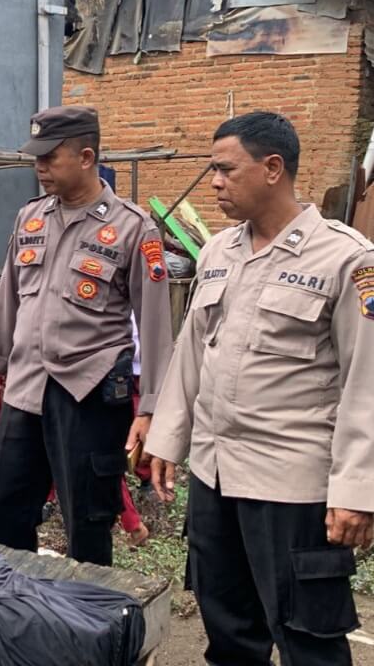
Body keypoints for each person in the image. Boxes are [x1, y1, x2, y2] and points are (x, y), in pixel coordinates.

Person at [144, 112, 374, 665]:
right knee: (228, 631)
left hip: (292, 485)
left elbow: (368, 382)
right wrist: (167, 439)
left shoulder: (346, 258)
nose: (214, 182)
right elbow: (191, 353)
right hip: (215, 474)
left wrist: (356, 490)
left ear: (273, 168)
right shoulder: (219, 253)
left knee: (307, 639)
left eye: (225, 170)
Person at [0, 105, 172, 567]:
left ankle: (87, 626)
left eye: (49, 157)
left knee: (88, 519)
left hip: (88, 393)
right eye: (36, 157)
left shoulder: (134, 229)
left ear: (85, 157)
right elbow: (10, 301)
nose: (39, 167)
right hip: (25, 388)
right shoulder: (30, 219)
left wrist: (153, 409)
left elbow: (158, 327)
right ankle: (14, 610)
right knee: (6, 503)